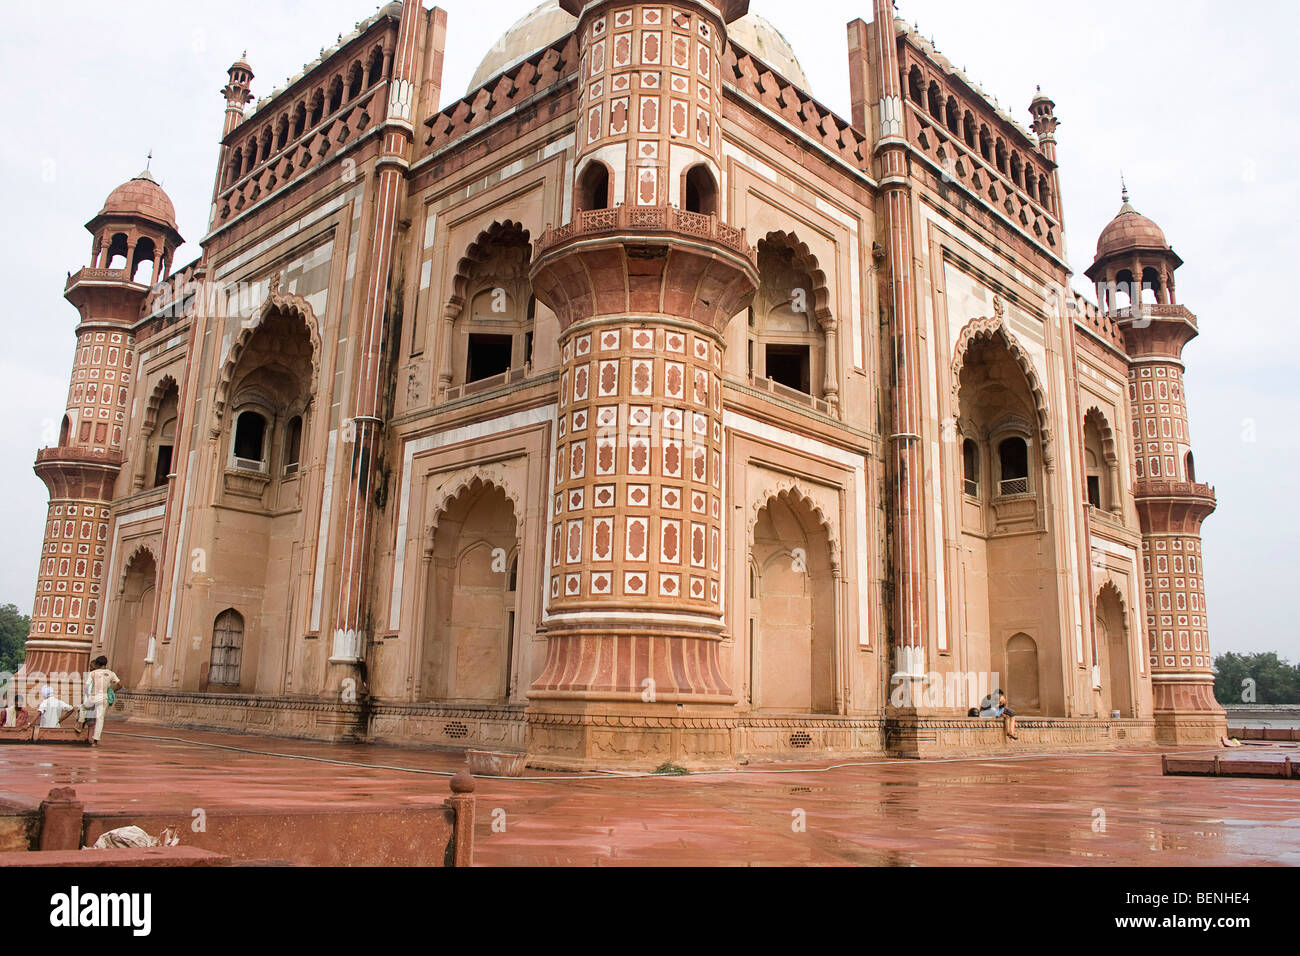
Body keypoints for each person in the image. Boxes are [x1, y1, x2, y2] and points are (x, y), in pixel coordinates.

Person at [78, 656, 121, 746]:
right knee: (100, 719)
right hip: (103, 698)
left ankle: (81, 722)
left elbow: (86, 686)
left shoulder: (93, 673)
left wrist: (88, 695)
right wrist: (113, 690)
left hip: (94, 696)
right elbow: (119, 684)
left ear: (97, 664)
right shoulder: (111, 673)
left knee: (83, 707)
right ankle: (95, 741)